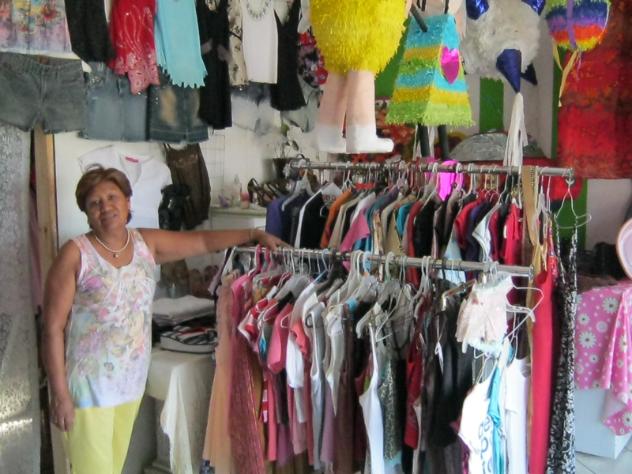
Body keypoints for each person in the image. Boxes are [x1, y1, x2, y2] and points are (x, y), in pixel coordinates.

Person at [41, 166, 285, 473]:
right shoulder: (76, 255)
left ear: (127, 202)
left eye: (112, 197)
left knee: (113, 467)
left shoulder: (145, 244)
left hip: (129, 384)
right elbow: (52, 329)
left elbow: (201, 242)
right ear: (87, 213)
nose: (105, 207)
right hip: (89, 389)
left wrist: (252, 234)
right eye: (95, 203)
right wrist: (60, 395)